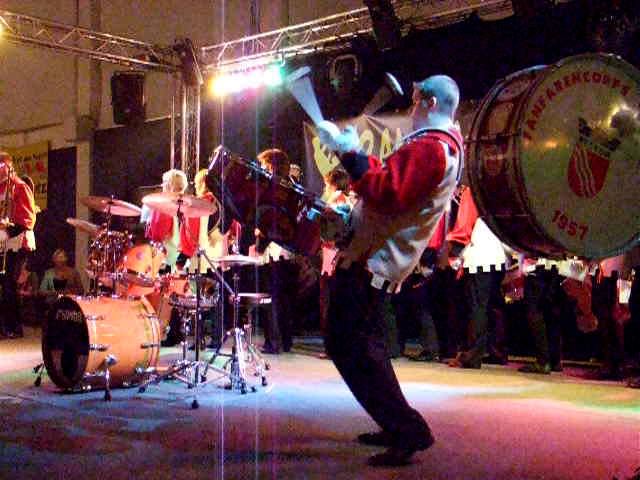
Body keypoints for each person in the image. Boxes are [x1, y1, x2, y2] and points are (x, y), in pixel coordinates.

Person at [316, 74, 463, 466]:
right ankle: (394, 423)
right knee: (364, 348)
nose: (412, 108)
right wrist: (352, 153)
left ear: (431, 104)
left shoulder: (432, 147)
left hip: (373, 259)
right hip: (376, 258)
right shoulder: (440, 144)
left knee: (351, 346)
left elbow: (386, 192)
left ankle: (408, 430)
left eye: (416, 101)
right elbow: (389, 178)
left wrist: (349, 151)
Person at [446, 185, 511, 368]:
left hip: (480, 253)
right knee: (493, 306)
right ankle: (496, 351)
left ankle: (472, 356)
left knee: (478, 306)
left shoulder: (474, 189)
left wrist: (455, 251)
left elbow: (464, 224)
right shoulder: (502, 187)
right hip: (499, 253)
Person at [0, 152, 37, 339]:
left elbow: (28, 219)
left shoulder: (20, 187)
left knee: (9, 283)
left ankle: (13, 327)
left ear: (8, 166)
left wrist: (7, 230)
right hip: (3, 239)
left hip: (17, 240)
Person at [143, 168, 188, 272]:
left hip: (166, 260)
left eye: (164, 183)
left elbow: (156, 235)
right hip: (172, 261)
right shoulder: (171, 208)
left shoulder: (164, 208)